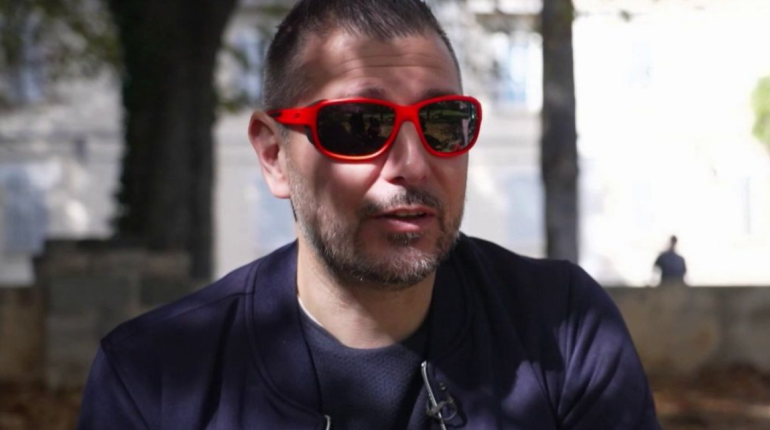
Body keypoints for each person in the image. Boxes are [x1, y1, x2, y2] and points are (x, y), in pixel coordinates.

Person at [77, 1, 661, 429]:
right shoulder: (155, 376)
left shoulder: (561, 330)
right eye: (359, 126)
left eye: (443, 123)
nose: (412, 164)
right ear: (274, 156)